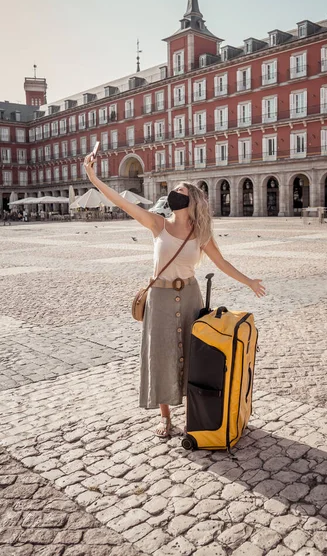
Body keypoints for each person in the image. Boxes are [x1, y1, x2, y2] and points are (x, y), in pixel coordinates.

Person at [84, 152, 266, 439]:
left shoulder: (200, 232)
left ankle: (197, 410)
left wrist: (249, 281)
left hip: (191, 296)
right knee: (162, 354)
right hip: (160, 298)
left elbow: (221, 263)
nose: (174, 196)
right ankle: (166, 417)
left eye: (181, 192)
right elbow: (123, 202)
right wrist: (94, 179)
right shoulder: (158, 223)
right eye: (174, 192)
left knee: (194, 353)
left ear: (192, 200)